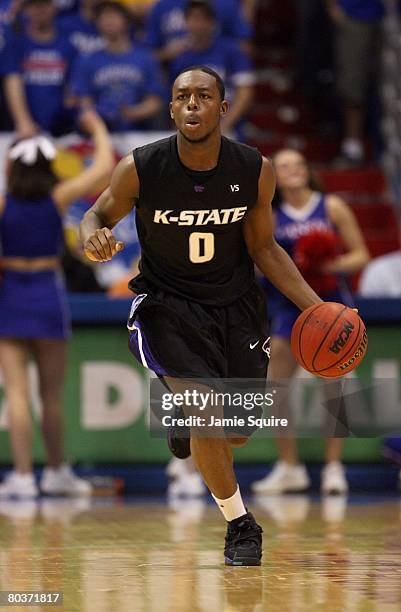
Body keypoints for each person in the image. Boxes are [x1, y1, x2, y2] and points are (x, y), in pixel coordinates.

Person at [80, 65, 326, 566]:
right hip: (165, 305)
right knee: (206, 411)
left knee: (234, 431)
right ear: (171, 108)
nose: (192, 104)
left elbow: (264, 247)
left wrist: (318, 308)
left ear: (223, 107)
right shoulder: (141, 167)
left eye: (204, 95)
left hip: (235, 308)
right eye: (182, 96)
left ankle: (181, 413)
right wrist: (92, 236)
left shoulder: (254, 168)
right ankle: (240, 523)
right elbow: (97, 214)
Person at [0, 109, 114, 498]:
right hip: (47, 292)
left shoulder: (3, 204)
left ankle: (21, 477)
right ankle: (56, 471)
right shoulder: (57, 197)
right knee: (50, 394)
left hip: (11, 293)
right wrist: (96, 126)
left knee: (16, 393)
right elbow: (102, 168)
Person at [251, 148, 370, 496]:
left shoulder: (331, 207)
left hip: (331, 305)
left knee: (334, 388)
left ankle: (334, 468)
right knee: (276, 388)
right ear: (275, 177)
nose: (292, 170)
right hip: (288, 309)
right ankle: (290, 467)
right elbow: (260, 262)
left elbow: (361, 254)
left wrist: (327, 265)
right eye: (284, 165)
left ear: (307, 170)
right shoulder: (270, 216)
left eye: (298, 164)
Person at [71, 1, 164, 132]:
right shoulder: (87, 60)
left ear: (126, 20)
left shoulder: (145, 58)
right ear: (97, 23)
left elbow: (155, 101)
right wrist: (98, 121)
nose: (109, 21)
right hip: (101, 131)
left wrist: (134, 113)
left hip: (139, 133)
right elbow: (84, 102)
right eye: (104, 17)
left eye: (114, 16)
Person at [169, 0, 254, 137]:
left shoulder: (232, 52)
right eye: (193, 18)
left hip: (228, 127)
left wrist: (224, 125)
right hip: (190, 127)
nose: (198, 24)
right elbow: (176, 98)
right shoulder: (181, 59)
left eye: (203, 18)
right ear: (185, 22)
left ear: (212, 22)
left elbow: (245, 93)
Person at [2, 0, 76, 137]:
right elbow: (12, 81)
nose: (41, 10)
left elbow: (71, 88)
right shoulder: (17, 44)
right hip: (23, 130)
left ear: (54, 6)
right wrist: (23, 121)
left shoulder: (68, 46)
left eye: (45, 4)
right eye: (35, 5)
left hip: (61, 130)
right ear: (26, 9)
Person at [326, 0, 384, 165]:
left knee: (385, 91)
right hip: (354, 14)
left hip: (388, 18)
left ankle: (382, 146)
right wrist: (332, 6)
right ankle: (353, 147)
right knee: (353, 85)